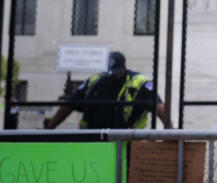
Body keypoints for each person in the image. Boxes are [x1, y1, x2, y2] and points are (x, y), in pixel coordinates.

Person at [44, 51, 172, 129]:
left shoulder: (139, 84)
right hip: (93, 142)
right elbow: (68, 106)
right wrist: (50, 129)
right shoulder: (95, 81)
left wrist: (171, 132)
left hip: (125, 144)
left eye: (115, 73)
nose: (111, 76)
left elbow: (159, 107)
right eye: (109, 73)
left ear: (124, 68)